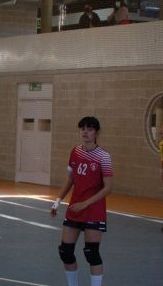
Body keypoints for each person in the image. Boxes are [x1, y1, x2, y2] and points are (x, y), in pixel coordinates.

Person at [51, 116, 113, 286]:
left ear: (96, 132)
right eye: (83, 128)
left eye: (90, 129)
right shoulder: (75, 152)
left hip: (93, 210)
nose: (85, 132)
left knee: (91, 253)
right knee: (65, 251)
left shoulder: (104, 156)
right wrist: (58, 200)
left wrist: (86, 204)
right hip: (74, 209)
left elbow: (108, 188)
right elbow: (70, 179)